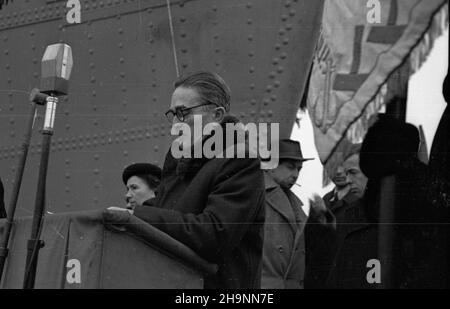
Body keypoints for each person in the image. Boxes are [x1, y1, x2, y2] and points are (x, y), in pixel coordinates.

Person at [108, 71, 265, 289]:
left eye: (183, 113)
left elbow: (214, 235)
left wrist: (139, 215)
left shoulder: (240, 161)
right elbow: (172, 210)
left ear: (217, 115)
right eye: (173, 115)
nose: (176, 124)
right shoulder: (178, 159)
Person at [260, 139, 313, 289]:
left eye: (299, 169)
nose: (296, 174)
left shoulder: (295, 204)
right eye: (290, 167)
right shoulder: (255, 194)